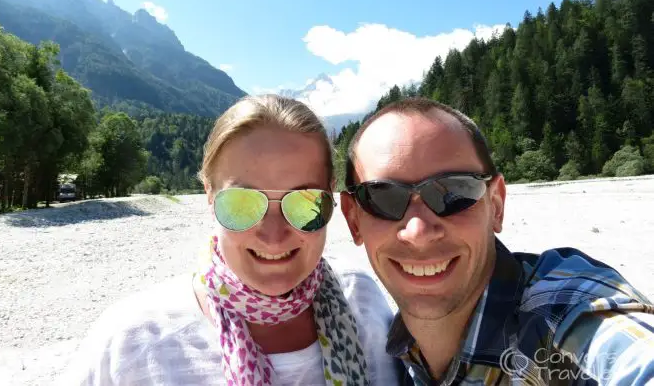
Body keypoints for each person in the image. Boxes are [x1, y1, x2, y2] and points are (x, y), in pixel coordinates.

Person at [60, 94, 406, 385]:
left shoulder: (363, 302)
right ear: (209, 195)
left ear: (330, 197)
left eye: (304, 203)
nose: (274, 235)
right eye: (242, 204)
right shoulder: (132, 342)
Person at [340, 96, 654, 385]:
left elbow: (626, 349)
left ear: (497, 206)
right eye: (383, 198)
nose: (419, 231)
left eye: (454, 192)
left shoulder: (560, 315)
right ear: (354, 220)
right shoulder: (388, 356)